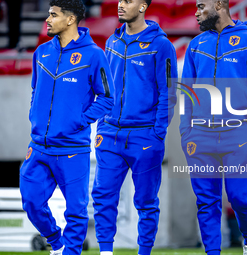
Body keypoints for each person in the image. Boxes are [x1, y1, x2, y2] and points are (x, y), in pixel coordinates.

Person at [19, 0, 114, 254]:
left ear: (70, 19)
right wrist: (34, 116)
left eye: (53, 15)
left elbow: (107, 98)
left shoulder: (95, 55)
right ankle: (57, 243)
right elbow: (35, 90)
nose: (47, 20)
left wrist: (80, 121)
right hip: (39, 146)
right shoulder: (41, 53)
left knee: (76, 211)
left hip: (73, 149)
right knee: (31, 200)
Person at [179, 0, 247, 254]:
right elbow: (187, 91)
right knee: (207, 202)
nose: (196, 12)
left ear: (219, 5)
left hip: (238, 133)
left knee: (241, 199)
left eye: (200, 6)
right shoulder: (196, 45)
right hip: (200, 135)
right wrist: (186, 131)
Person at [91, 0, 177, 253]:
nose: (120, 5)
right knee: (103, 197)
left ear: (142, 6)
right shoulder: (111, 42)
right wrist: (101, 122)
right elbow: (104, 87)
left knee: (146, 202)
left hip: (145, 136)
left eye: (128, 1)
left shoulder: (161, 45)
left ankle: (144, 252)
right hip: (109, 134)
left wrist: (158, 133)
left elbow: (168, 93)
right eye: (119, 0)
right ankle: (105, 250)